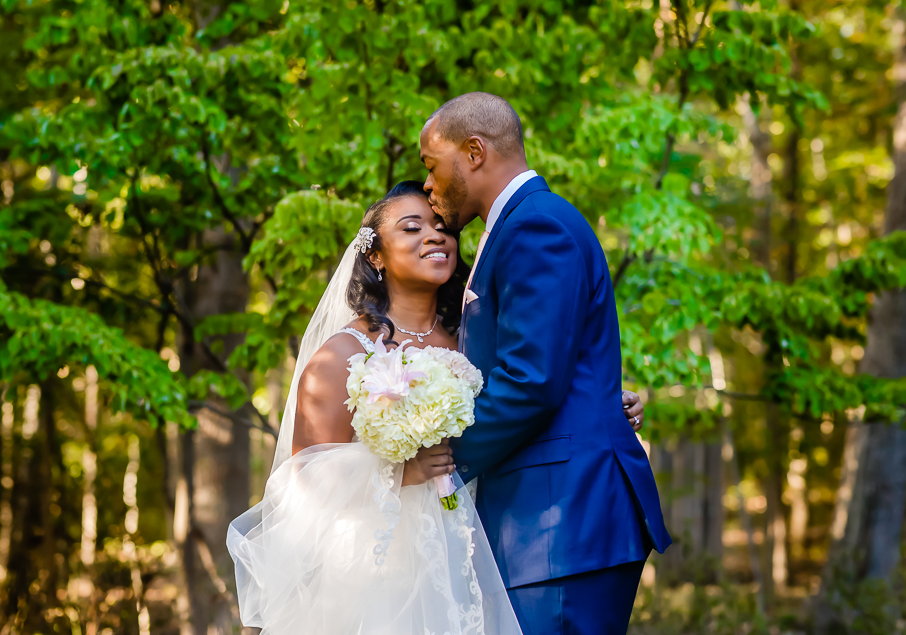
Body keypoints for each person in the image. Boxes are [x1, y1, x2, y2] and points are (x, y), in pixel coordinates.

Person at [227, 181, 647, 634]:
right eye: (412, 228)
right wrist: (400, 472)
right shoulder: (341, 355)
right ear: (375, 255)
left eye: (442, 227)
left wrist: (598, 410)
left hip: (479, 559)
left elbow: (525, 398)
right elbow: (303, 482)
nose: (435, 236)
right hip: (379, 579)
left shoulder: (473, 342)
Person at [419, 92, 672, 635]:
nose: (428, 184)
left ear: (474, 151)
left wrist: (438, 459)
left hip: (562, 523)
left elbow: (532, 379)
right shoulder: (518, 226)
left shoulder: (537, 228)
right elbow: (562, 362)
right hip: (546, 522)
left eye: (431, 165)